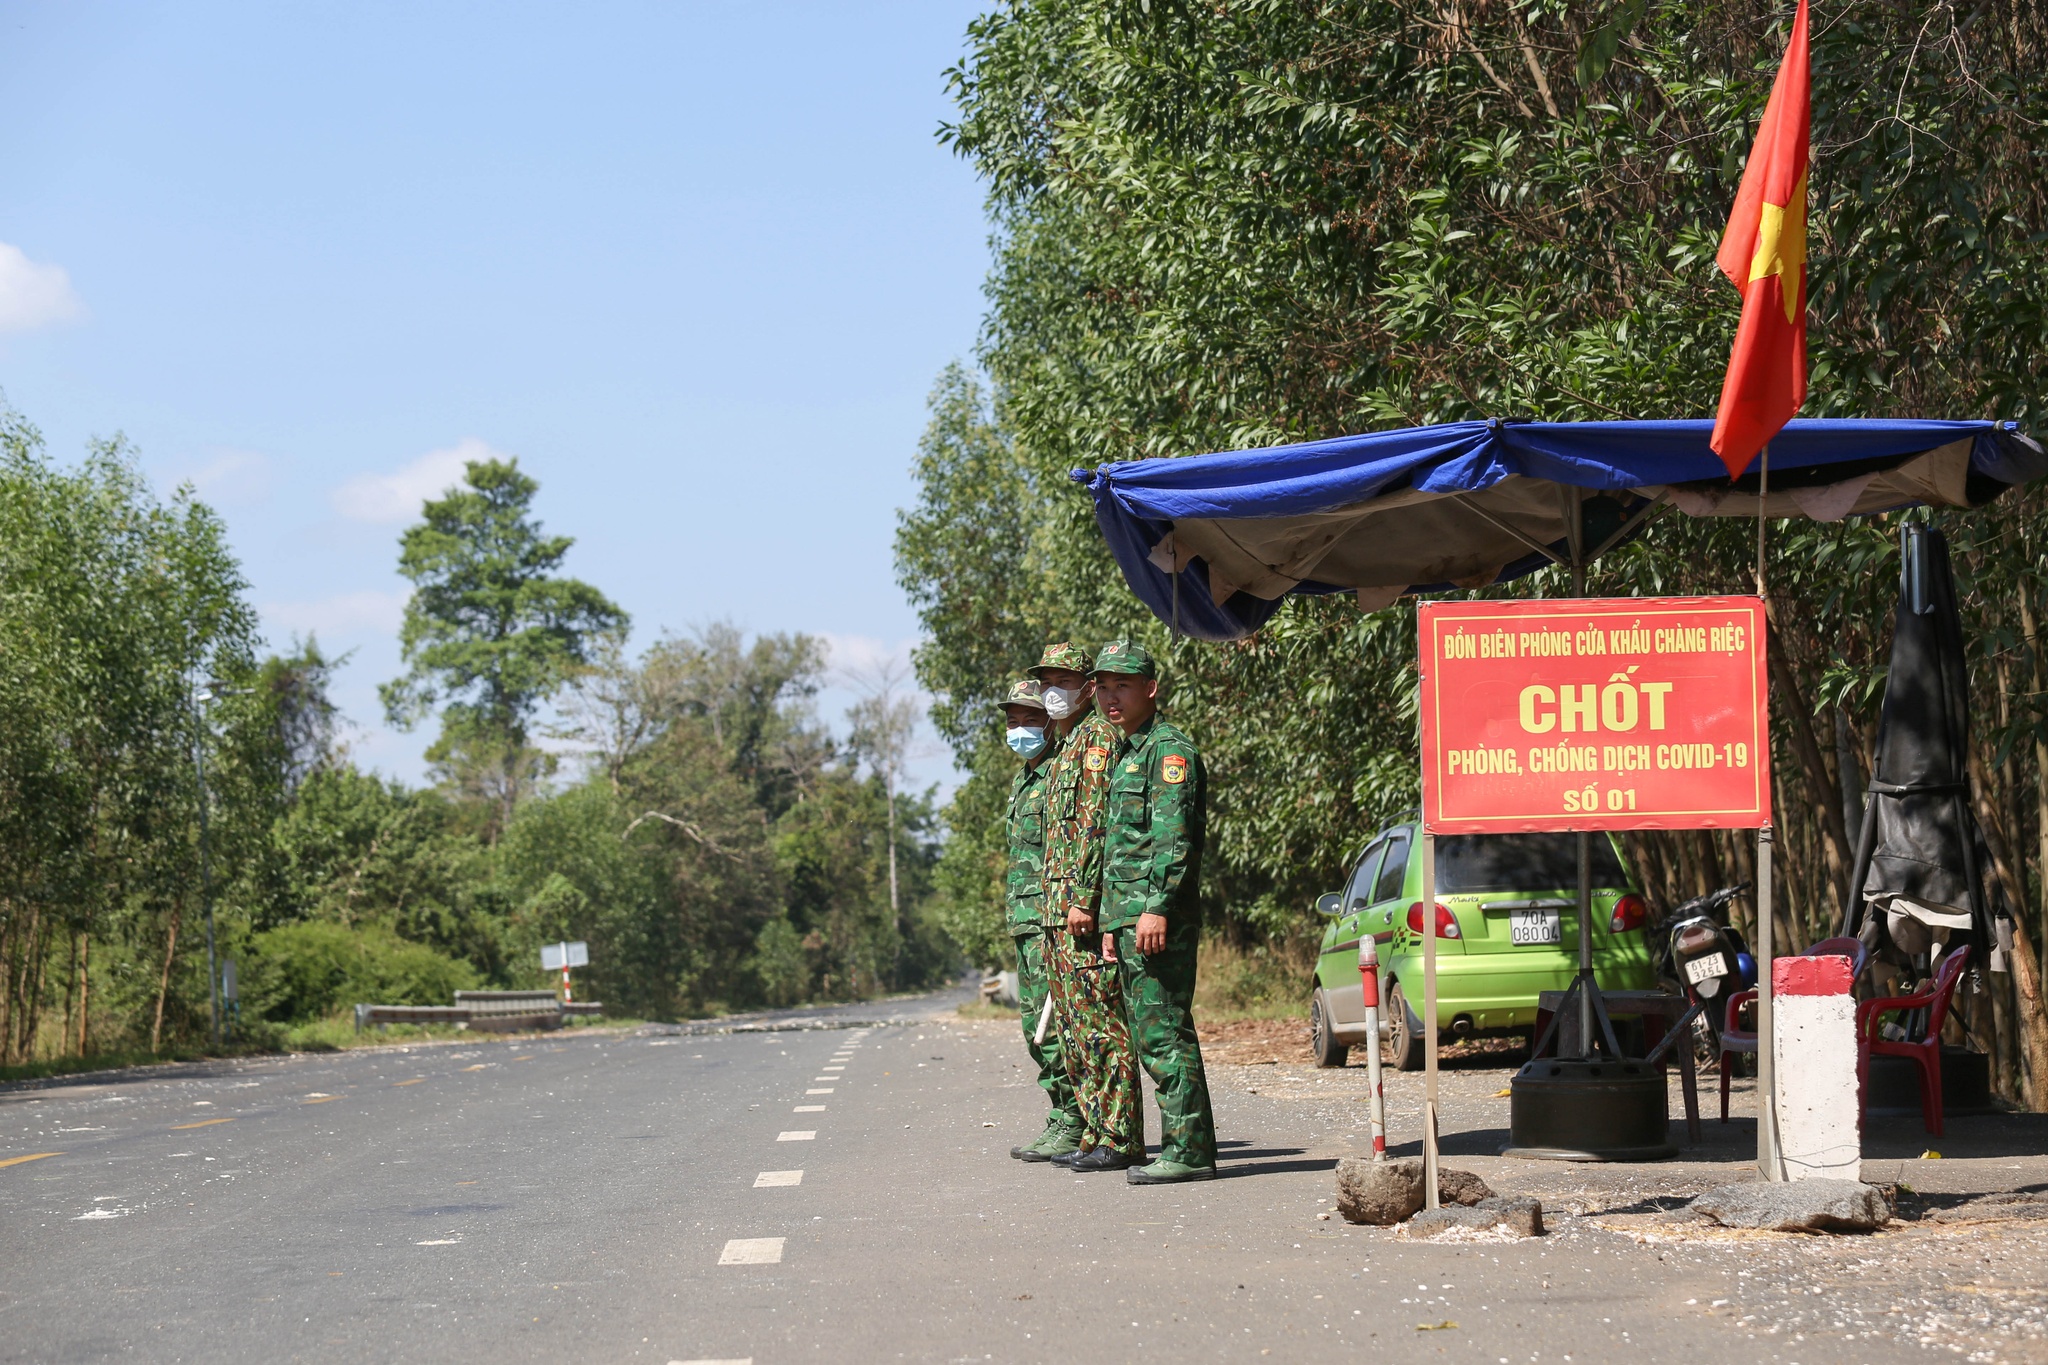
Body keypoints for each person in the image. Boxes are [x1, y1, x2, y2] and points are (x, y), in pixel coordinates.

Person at [1091, 640, 1217, 1184]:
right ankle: (1184, 1147)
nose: (1109, 695)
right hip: (1130, 919)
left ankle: (1189, 1151)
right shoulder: (1127, 752)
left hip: (1156, 918)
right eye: (1102, 685)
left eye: (1122, 684)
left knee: (1165, 1031)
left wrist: (1155, 910)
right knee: (1151, 1033)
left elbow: (1172, 841)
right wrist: (1111, 923)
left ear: (1151, 688)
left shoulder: (1169, 752)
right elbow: (1122, 848)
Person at [1033, 642, 1144, 1172]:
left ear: (1085, 686)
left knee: (1100, 1023)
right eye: (1046, 680)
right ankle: (1096, 1129)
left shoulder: (1098, 740)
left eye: (1063, 679)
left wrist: (1085, 900)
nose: (1053, 690)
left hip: (1080, 909)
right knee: (1074, 1028)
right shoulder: (1063, 747)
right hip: (1055, 910)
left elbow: (1099, 827)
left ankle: (1121, 1137)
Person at [998, 677, 1084, 1161]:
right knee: (1035, 1025)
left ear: (1051, 722)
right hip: (1026, 919)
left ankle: (1074, 1121)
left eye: (1031, 719)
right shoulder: (1025, 777)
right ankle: (1060, 1115)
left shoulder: (1058, 773)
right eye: (1013, 721)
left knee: (1056, 1027)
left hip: (1053, 918)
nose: (1021, 729)